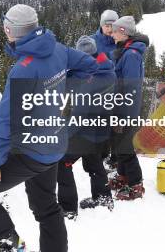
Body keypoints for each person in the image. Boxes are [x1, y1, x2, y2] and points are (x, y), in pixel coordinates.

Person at [0, 4, 99, 252]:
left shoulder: (23, 70)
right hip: (54, 144)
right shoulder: (58, 50)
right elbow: (90, 65)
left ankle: (8, 245)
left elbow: (4, 124)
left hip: (31, 151)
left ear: (10, 30)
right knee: (46, 206)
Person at [57, 36, 115, 220]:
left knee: (62, 163)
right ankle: (103, 198)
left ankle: (68, 208)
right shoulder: (106, 71)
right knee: (94, 161)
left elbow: (79, 114)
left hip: (86, 130)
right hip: (102, 129)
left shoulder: (89, 81)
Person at [109, 16, 149, 201]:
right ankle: (123, 176)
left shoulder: (131, 55)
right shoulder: (126, 52)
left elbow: (130, 89)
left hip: (125, 110)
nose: (112, 33)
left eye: (115, 31)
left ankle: (135, 184)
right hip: (120, 108)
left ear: (124, 33)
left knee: (125, 147)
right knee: (119, 146)